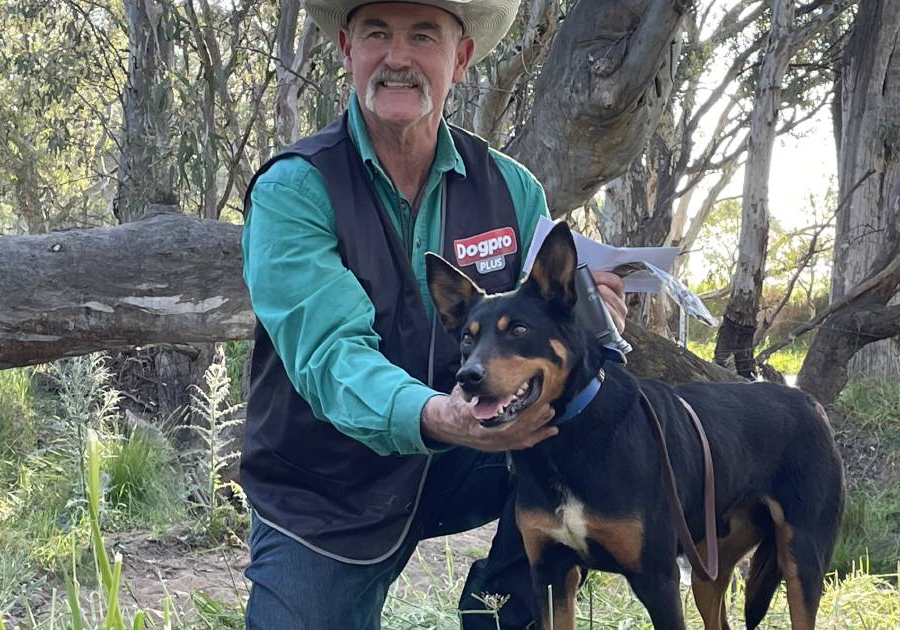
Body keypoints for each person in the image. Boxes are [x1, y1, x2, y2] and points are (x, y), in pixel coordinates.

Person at [238, 1, 628, 628]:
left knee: (574, 430)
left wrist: (595, 315)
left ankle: (500, 608)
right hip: (325, 488)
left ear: (461, 57)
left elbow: (559, 330)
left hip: (474, 455)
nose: (397, 58)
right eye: (377, 34)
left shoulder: (512, 190)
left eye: (422, 35)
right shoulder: (294, 189)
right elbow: (330, 354)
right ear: (346, 48)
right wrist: (439, 415)